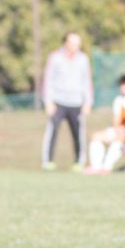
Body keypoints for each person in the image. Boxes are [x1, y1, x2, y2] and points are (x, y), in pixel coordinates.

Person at [40, 31, 94, 171]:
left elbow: (86, 81)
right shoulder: (55, 57)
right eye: (72, 43)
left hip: (77, 102)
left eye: (78, 43)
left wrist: (88, 102)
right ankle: (48, 161)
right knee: (52, 131)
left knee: (78, 133)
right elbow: (48, 80)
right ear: (66, 42)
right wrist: (48, 101)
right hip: (58, 101)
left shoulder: (83, 59)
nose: (75, 46)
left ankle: (79, 162)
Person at [86, 74, 125, 173]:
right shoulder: (118, 100)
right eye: (121, 85)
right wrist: (117, 129)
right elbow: (116, 121)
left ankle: (106, 167)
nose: (122, 88)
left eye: (124, 85)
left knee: (120, 137)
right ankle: (96, 167)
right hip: (122, 130)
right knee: (96, 136)